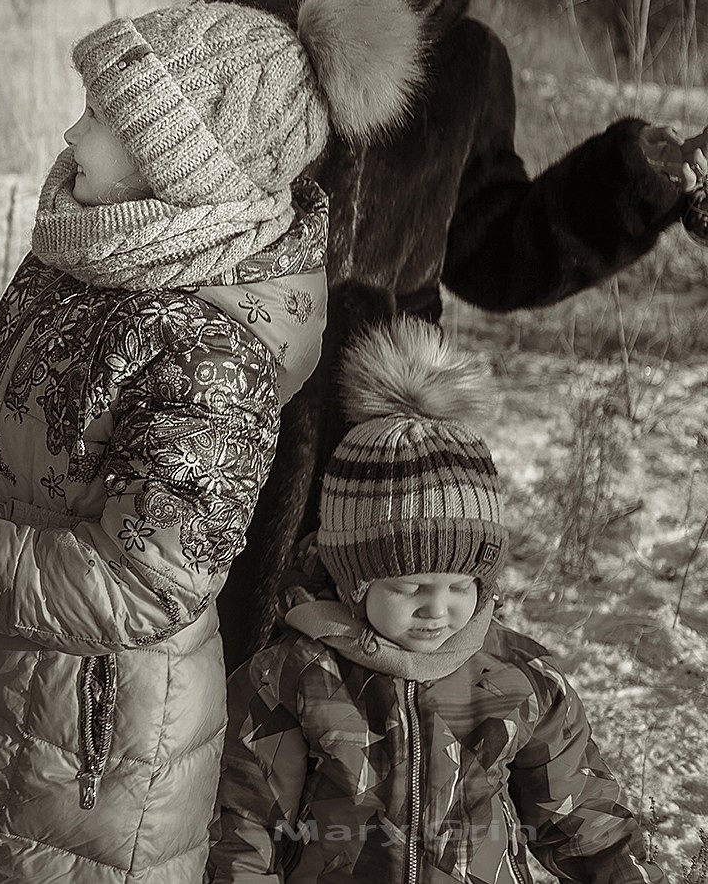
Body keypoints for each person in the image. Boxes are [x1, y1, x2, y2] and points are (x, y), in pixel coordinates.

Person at [0, 0, 421, 884]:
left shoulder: (213, 353)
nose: (72, 135)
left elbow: (142, 580)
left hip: (79, 759)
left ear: (178, 165)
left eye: (101, 115)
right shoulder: (83, 260)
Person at [209, 0, 708, 667]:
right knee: (198, 691)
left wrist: (633, 183)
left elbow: (493, 250)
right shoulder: (223, 28)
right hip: (214, 399)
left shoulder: (469, 59)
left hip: (381, 427)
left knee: (357, 699)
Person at [211, 318, 664, 884]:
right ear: (356, 582)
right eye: (410, 588)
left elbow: (578, 815)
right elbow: (246, 823)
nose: (438, 609)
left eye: (461, 586)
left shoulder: (516, 680)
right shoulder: (293, 677)